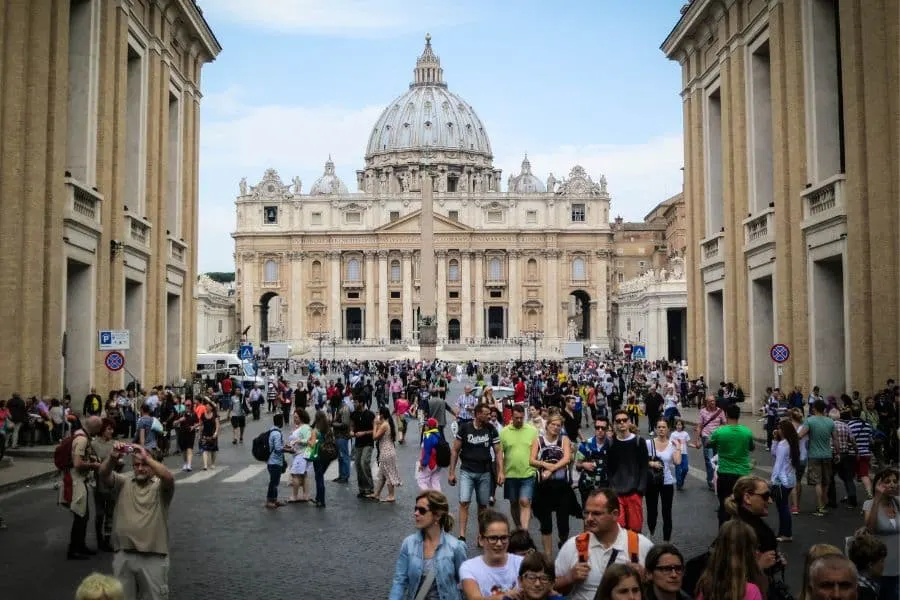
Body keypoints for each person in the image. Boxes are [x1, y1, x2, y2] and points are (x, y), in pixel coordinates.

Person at [99, 441, 175, 600]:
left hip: (153, 556)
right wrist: (113, 458)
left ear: (153, 465)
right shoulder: (124, 482)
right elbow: (103, 474)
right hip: (124, 554)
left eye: (144, 464)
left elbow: (168, 477)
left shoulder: (161, 487)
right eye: (136, 465)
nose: (140, 468)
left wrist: (147, 457)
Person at [554, 488, 653, 600]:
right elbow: (549, 587)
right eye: (586, 513)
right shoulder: (573, 545)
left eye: (596, 513)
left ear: (615, 514)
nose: (589, 519)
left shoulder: (641, 545)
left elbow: (663, 585)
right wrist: (568, 578)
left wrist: (645, 578)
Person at [389, 491, 468, 600]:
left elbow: (466, 584)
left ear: (437, 515)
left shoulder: (456, 547)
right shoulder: (408, 544)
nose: (416, 513)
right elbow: (399, 581)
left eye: (422, 510)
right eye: (415, 509)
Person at [449, 402, 504, 542]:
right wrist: (451, 472)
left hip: (485, 472)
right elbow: (455, 450)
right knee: (464, 502)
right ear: (478, 414)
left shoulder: (491, 429)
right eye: (486, 414)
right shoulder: (465, 428)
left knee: (483, 506)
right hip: (467, 471)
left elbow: (498, 451)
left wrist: (500, 472)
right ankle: (462, 535)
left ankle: (481, 534)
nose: (489, 417)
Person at [530, 413, 574, 557]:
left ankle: (562, 540)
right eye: (553, 425)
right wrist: (545, 465)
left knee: (563, 525)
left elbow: (567, 458)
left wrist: (551, 469)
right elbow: (532, 460)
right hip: (544, 487)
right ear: (547, 425)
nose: (555, 428)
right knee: (546, 523)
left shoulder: (564, 440)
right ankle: (548, 556)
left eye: (558, 425)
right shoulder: (538, 440)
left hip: (561, 486)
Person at [62, 416, 103, 560]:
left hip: (79, 480)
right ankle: (73, 550)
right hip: (77, 481)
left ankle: (80, 546)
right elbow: (78, 463)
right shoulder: (82, 439)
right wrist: (93, 465)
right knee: (80, 516)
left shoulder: (81, 434)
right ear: (95, 427)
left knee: (84, 516)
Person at [707, 403, 754, 526]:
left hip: (725, 473)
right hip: (743, 474)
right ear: (739, 416)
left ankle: (723, 534)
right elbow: (751, 447)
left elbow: (708, 444)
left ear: (726, 415)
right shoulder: (747, 432)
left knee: (724, 505)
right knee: (743, 506)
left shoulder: (720, 431)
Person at [694, 520, 765, 600]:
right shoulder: (751, 591)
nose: (758, 553)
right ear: (748, 554)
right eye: (755, 548)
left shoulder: (705, 586)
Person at [460, 510, 523, 599]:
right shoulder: (469, 567)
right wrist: (505, 596)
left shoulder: (521, 563)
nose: (499, 544)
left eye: (504, 538)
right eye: (493, 538)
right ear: (481, 540)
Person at [606, 409, 649, 532]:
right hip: (617, 493)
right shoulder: (611, 443)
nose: (622, 423)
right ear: (614, 424)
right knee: (619, 529)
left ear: (629, 422)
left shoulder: (639, 442)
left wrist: (640, 490)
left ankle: (634, 551)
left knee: (635, 529)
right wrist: (611, 487)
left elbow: (644, 467)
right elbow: (608, 468)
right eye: (618, 421)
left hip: (634, 493)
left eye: (624, 420)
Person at [499, 404, 538, 530]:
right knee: (514, 503)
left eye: (522, 418)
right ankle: (519, 527)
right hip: (510, 474)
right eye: (517, 418)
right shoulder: (504, 432)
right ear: (512, 416)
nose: (519, 420)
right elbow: (499, 454)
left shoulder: (532, 431)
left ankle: (524, 532)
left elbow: (537, 451)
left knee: (525, 501)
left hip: (528, 473)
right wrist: (500, 472)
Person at [862, 467, 899, 599]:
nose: (892, 484)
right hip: (879, 564)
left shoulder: (897, 503)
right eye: (887, 481)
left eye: (895, 481)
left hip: (897, 563)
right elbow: (871, 529)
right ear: (878, 484)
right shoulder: (869, 504)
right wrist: (877, 498)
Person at [644, 418, 682, 542]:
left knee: (667, 512)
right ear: (655, 429)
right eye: (659, 427)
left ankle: (666, 541)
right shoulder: (648, 443)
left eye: (663, 427)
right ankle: (651, 533)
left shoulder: (672, 445)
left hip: (667, 482)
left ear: (668, 430)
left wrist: (679, 447)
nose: (661, 429)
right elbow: (641, 460)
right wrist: (652, 463)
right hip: (652, 482)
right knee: (652, 511)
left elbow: (677, 462)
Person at [802, 399, 835, 517]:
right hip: (827, 454)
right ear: (825, 409)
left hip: (814, 455)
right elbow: (835, 440)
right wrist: (838, 453)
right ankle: (824, 504)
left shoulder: (809, 421)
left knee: (817, 482)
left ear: (814, 409)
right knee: (826, 482)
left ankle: (819, 506)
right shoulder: (830, 422)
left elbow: (800, 435)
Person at [771, 419, 800, 542]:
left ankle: (786, 533)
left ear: (784, 430)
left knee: (782, 507)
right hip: (790, 478)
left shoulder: (784, 445)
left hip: (782, 480)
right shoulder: (790, 443)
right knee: (782, 506)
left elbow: (778, 464)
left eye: (779, 428)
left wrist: (774, 480)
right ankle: (783, 532)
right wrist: (774, 440)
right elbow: (774, 453)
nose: (778, 430)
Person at [576, 415, 611, 506]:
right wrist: (584, 465)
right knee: (588, 515)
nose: (600, 430)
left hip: (605, 487)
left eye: (603, 428)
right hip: (587, 487)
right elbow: (577, 465)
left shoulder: (612, 445)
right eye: (597, 427)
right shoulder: (585, 444)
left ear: (607, 429)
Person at [847, 534, 888, 600]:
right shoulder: (866, 594)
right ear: (870, 565)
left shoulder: (850, 581)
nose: (884, 565)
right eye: (882, 561)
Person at [350, 395, 376, 498]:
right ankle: (362, 489)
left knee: (364, 463)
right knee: (358, 466)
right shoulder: (354, 414)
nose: (354, 404)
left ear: (361, 403)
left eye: (356, 402)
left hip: (368, 443)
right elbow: (351, 426)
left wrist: (364, 433)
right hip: (358, 443)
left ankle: (370, 488)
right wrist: (351, 431)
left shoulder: (370, 414)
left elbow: (374, 429)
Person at [265, 413, 286, 508]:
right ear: (280, 422)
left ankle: (274, 499)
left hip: (273, 461)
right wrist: (289, 450)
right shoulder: (277, 434)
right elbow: (278, 449)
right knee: (273, 482)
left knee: (276, 481)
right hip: (275, 461)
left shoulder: (272, 431)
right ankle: (269, 500)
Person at [418, 418, 443, 491]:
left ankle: (429, 497)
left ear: (430, 427)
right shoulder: (438, 433)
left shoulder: (428, 435)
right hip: (439, 462)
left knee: (422, 481)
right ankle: (438, 499)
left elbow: (427, 451)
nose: (424, 427)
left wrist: (423, 464)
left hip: (431, 462)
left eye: (426, 425)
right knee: (435, 481)